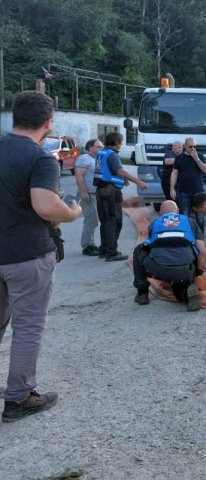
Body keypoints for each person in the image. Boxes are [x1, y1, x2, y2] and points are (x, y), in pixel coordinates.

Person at [0, 91, 81, 422]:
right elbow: (46, 206)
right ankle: (18, 398)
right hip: (27, 255)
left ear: (14, 116)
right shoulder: (41, 158)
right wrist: (72, 213)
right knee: (28, 327)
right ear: (48, 123)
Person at [133, 201, 206, 311]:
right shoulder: (189, 221)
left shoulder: (154, 223)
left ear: (160, 212)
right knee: (180, 287)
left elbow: (148, 246)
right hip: (184, 270)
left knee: (139, 250)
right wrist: (199, 269)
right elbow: (202, 251)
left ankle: (142, 293)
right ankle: (186, 292)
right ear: (178, 211)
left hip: (158, 270)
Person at [94, 132, 147, 261]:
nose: (122, 144)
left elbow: (107, 171)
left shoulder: (101, 153)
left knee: (105, 222)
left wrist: (123, 180)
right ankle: (111, 252)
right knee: (114, 221)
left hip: (101, 190)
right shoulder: (112, 155)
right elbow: (120, 171)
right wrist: (138, 181)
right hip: (111, 192)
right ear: (116, 142)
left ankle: (104, 250)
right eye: (121, 141)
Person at [74, 138, 103, 256]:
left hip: (96, 194)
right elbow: (79, 176)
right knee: (91, 220)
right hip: (87, 194)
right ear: (90, 147)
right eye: (98, 146)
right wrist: (83, 192)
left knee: (94, 220)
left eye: (101, 146)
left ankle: (91, 244)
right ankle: (87, 246)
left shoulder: (96, 159)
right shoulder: (84, 158)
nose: (101, 148)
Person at [170, 137, 206, 215]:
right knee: (185, 214)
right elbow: (174, 173)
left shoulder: (200, 156)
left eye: (195, 146)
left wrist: (196, 159)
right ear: (185, 146)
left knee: (200, 216)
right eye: (190, 146)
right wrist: (172, 189)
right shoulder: (179, 157)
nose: (193, 148)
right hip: (184, 191)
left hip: (198, 191)